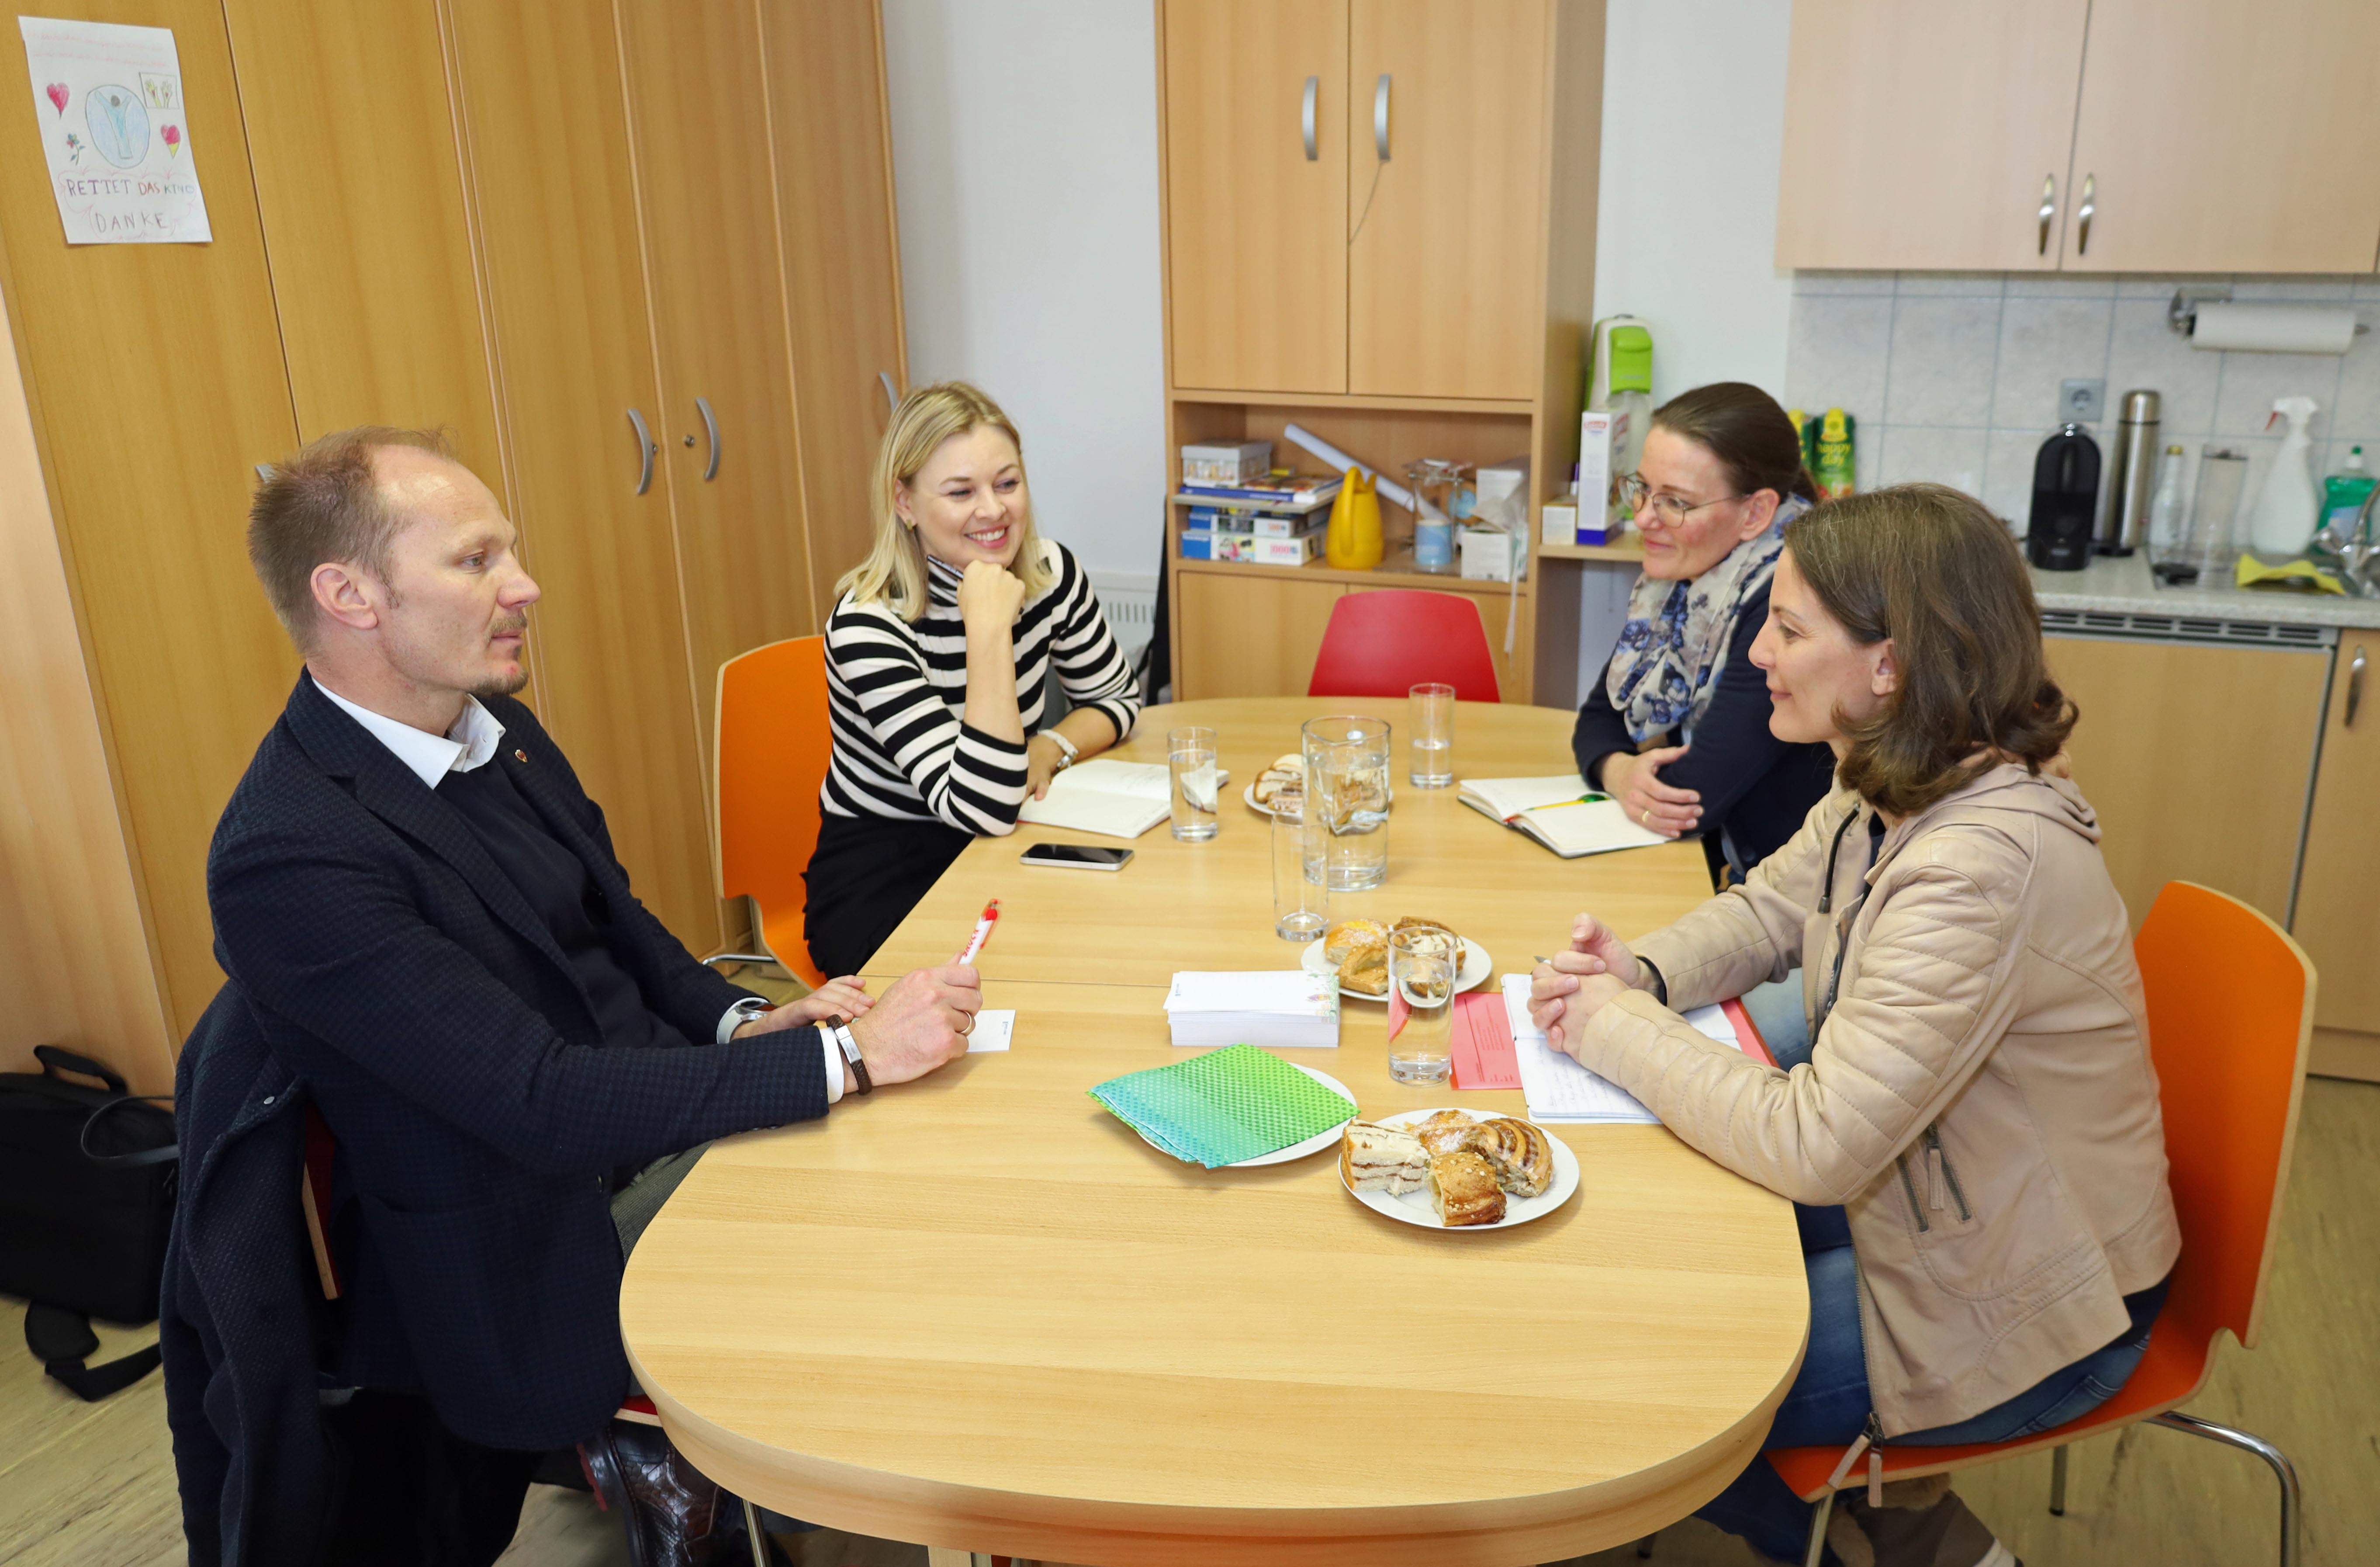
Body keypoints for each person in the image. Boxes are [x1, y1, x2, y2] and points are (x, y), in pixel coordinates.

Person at [162, 427, 979, 1567]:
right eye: (477, 559)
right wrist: (848, 1061)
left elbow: (625, 932)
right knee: (909, 1227)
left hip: (644, 1135)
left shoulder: (488, 725)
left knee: (951, 1146)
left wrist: (747, 1021)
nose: (523, 585)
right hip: (546, 1232)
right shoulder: (292, 854)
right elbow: (538, 1102)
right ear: (348, 594)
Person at [1530, 485, 2178, 1567]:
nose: (1760, 655)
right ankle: (1937, 1544)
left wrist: (1610, 1028)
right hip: (1951, 1199)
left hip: (2036, 1289)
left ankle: (1887, 1549)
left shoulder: (1974, 865)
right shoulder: (1897, 772)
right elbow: (1770, 908)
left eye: (1786, 629)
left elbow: (1816, 1145)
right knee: (1673, 1274)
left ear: (1890, 662)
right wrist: (1637, 970)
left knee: (1672, 1392)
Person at [807, 381, 1141, 977]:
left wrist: (1050, 744)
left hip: (1006, 842)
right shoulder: (869, 624)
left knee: (1104, 955)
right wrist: (988, 629)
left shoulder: (1048, 570)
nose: (993, 510)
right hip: (889, 871)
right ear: (904, 502)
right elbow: (981, 804)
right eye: (961, 492)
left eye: (1007, 483)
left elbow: (1117, 698)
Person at [1574, 382, 1838, 887]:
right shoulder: (1681, 579)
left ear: (1756, 513)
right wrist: (1619, 772)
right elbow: (1596, 718)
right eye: (1642, 488)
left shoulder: (1789, 596)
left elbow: (1694, 797)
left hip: (1789, 906)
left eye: (1675, 501)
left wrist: (1628, 773)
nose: (1644, 517)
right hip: (1719, 869)